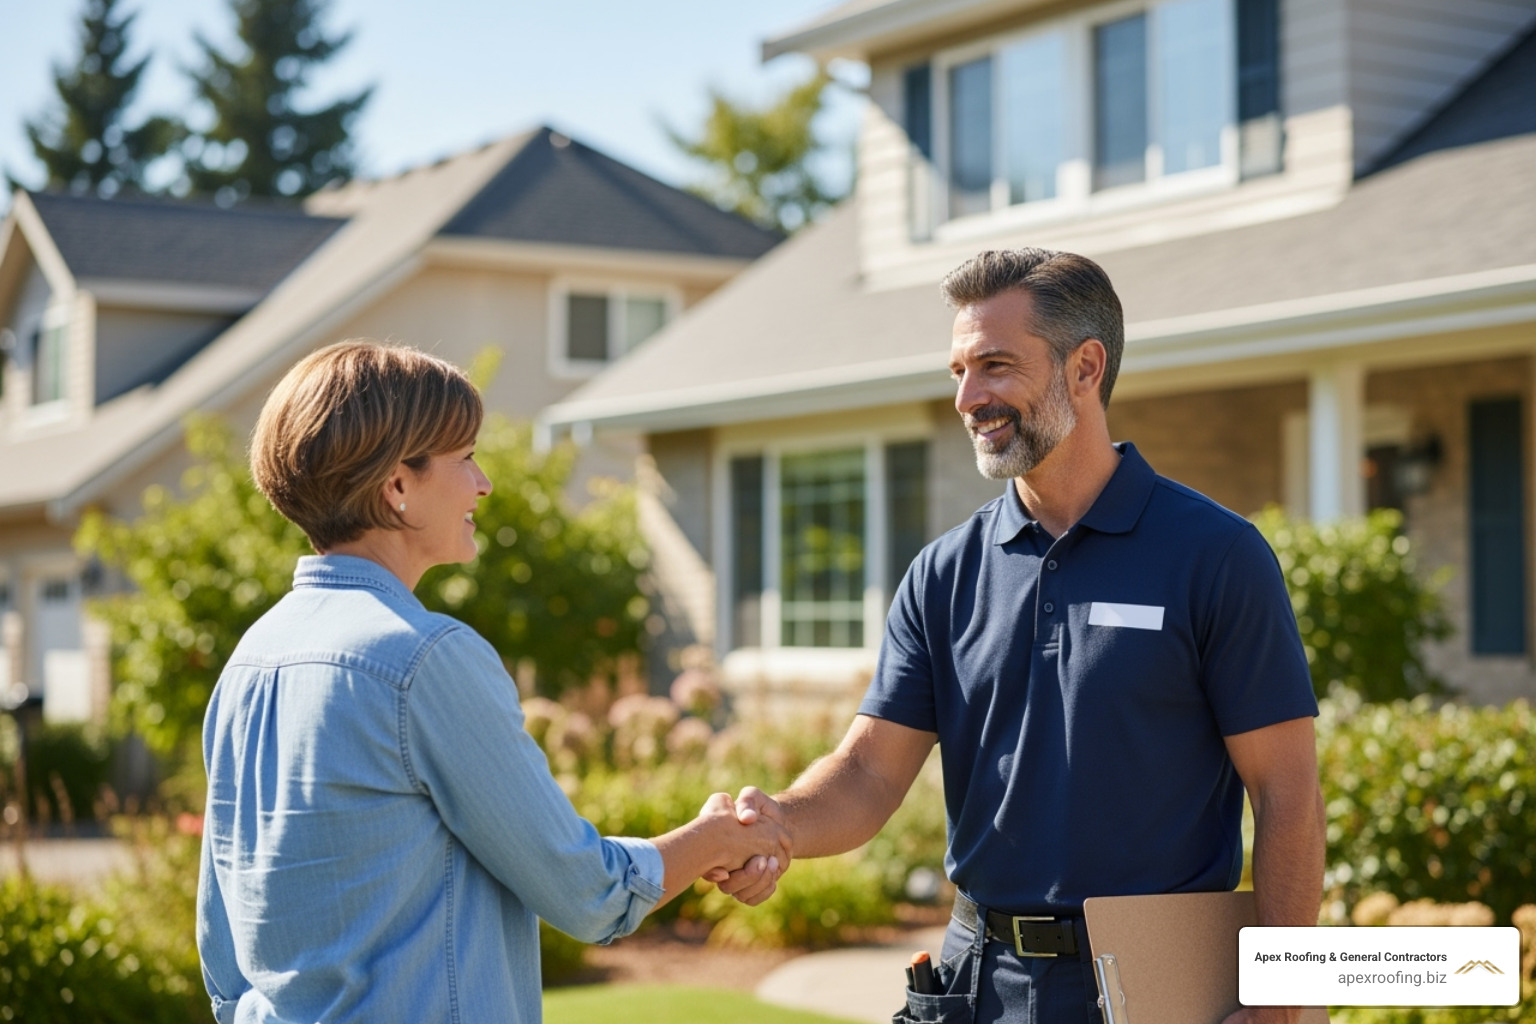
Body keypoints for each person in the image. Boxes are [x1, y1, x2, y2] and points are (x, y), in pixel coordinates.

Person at [714, 249, 1326, 1024]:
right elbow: (869, 771)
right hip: (977, 982)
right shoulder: (942, 574)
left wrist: (1283, 997)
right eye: (958, 372)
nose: (969, 397)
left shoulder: (1216, 557)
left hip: (1157, 982)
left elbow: (1288, 790)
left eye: (995, 366)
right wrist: (780, 825)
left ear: (1085, 368)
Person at [196, 340, 787, 1024]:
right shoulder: (423, 659)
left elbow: (224, 943)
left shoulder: (250, 660)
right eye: (466, 459)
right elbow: (582, 891)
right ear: (397, 486)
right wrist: (713, 840)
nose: (484, 484)